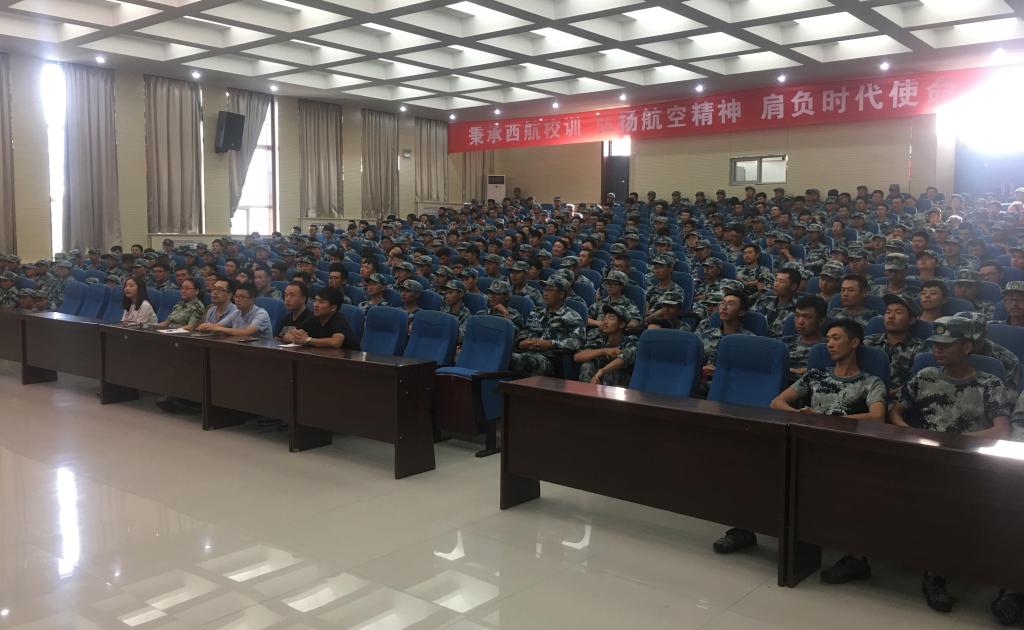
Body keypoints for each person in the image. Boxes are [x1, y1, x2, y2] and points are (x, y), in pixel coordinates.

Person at [889, 316, 1013, 616]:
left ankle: (941, 575)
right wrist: (908, 432)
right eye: (935, 345)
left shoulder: (989, 383)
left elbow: (1001, 430)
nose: (938, 350)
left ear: (966, 347)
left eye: (946, 345)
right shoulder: (925, 376)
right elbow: (896, 411)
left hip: (971, 463)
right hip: (925, 457)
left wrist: (956, 443)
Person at [509, 275, 585, 377]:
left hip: (549, 361)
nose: (545, 293)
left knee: (508, 358)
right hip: (526, 353)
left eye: (550, 290)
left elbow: (579, 341)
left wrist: (551, 344)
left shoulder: (571, 316)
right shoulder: (536, 312)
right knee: (503, 355)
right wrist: (521, 342)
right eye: (545, 289)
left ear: (562, 294)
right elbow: (525, 330)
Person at [864, 294, 926, 397]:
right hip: (863, 396)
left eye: (898, 313)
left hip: (899, 399)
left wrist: (883, 396)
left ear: (911, 320)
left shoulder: (919, 348)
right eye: (888, 312)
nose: (891, 316)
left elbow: (917, 383)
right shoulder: (867, 342)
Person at [575, 304, 638, 386]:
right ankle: (585, 392)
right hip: (597, 381)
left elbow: (623, 359)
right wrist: (604, 351)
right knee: (587, 365)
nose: (605, 321)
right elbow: (577, 357)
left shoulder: (631, 341)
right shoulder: (600, 339)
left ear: (621, 324)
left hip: (620, 387)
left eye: (611, 318)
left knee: (612, 373)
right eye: (604, 318)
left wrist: (602, 372)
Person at [197, 282, 272, 339]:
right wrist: (208, 326)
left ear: (252, 299)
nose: (237, 300)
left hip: (262, 351)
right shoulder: (236, 313)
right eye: (236, 296)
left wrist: (217, 328)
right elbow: (218, 325)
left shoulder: (261, 314)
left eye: (242, 297)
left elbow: (245, 332)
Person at [290, 288, 355, 350]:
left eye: (321, 302)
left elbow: (335, 342)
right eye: (315, 300)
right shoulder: (315, 318)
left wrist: (307, 340)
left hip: (349, 356)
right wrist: (297, 336)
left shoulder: (338, 319)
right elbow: (290, 333)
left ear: (333, 308)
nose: (315, 305)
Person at [780, 295, 827, 380]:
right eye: (797, 315)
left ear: (821, 321)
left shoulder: (828, 348)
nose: (800, 322)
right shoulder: (784, 342)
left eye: (807, 317)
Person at [751, 267, 803, 337]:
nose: (776, 285)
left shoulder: (800, 308)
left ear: (793, 286)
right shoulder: (763, 301)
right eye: (776, 280)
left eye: (781, 281)